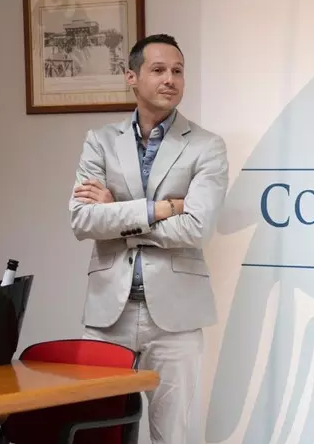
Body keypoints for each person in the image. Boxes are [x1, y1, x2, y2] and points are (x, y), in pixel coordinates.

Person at [68, 33, 228, 443]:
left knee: (170, 436)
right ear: (132, 77)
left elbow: (196, 228)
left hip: (175, 318)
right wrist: (161, 208)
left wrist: (116, 212)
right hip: (108, 315)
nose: (170, 79)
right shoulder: (100, 142)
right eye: (158, 70)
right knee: (96, 433)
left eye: (178, 71)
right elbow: (83, 220)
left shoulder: (207, 146)